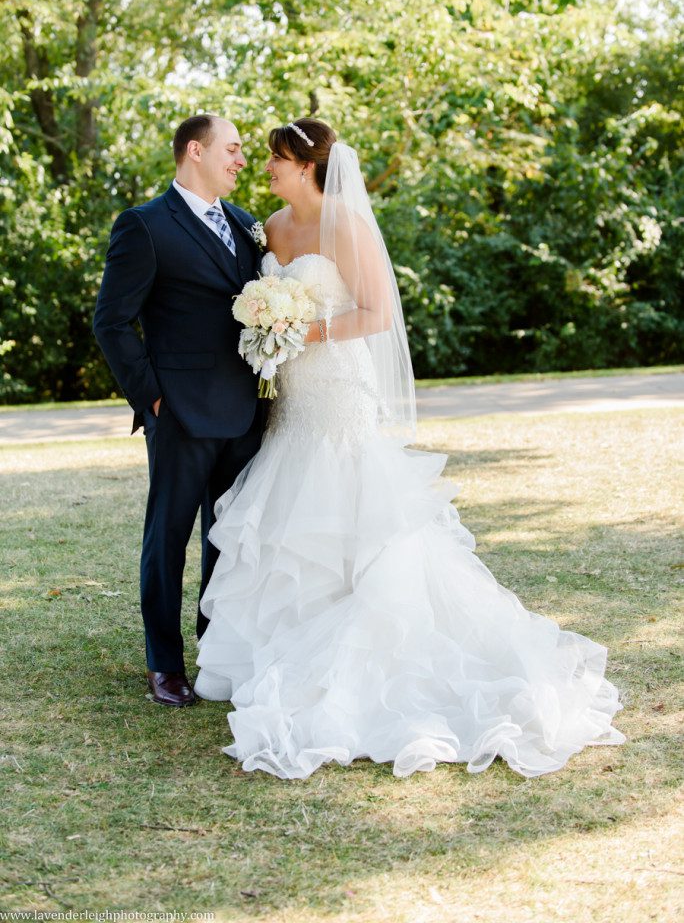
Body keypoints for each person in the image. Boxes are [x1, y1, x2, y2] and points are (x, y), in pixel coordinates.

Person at [193, 117, 626, 779]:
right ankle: (279, 649)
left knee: (352, 511)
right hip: (292, 399)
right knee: (289, 513)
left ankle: (359, 649)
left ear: (307, 166)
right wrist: (269, 330)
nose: (267, 168)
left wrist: (303, 331)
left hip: (339, 387)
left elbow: (377, 313)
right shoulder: (271, 230)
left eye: (277, 159)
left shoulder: (347, 225)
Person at [93, 115, 264, 708]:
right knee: (167, 538)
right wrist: (153, 397)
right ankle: (164, 664)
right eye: (234, 149)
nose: (241, 161)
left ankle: (215, 648)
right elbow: (111, 321)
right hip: (182, 413)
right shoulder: (143, 226)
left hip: (246, 413)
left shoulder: (246, 226)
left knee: (230, 538)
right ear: (196, 151)